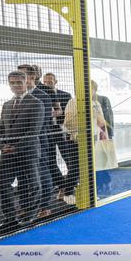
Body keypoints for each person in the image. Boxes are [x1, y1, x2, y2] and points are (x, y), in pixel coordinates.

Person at [0, 70, 45, 227]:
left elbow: (34, 131)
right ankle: (10, 218)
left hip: (28, 152)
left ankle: (30, 216)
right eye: (12, 83)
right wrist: (3, 146)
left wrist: (15, 147)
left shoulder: (36, 103)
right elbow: (0, 129)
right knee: (4, 184)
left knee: (34, 185)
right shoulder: (6, 105)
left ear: (26, 83)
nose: (15, 85)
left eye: (19, 82)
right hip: (7, 153)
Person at [16, 64, 57, 218]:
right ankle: (26, 206)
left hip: (38, 143)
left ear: (32, 77)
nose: (18, 80)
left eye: (22, 76)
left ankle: (45, 206)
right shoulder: (19, 96)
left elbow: (41, 124)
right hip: (21, 145)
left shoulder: (42, 96)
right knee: (24, 176)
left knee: (42, 174)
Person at [64, 80, 118, 196]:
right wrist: (84, 115)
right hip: (77, 142)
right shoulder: (72, 102)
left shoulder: (96, 104)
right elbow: (68, 123)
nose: (89, 92)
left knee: (96, 166)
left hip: (95, 141)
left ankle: (94, 191)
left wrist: (104, 137)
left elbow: (102, 123)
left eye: (91, 89)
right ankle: (68, 193)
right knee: (75, 169)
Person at [41, 72, 74, 201]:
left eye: (50, 81)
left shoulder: (65, 95)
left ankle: (71, 184)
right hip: (48, 132)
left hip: (62, 131)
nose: (48, 83)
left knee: (68, 157)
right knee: (50, 160)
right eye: (45, 82)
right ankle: (62, 185)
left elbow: (68, 114)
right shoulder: (42, 96)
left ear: (56, 81)